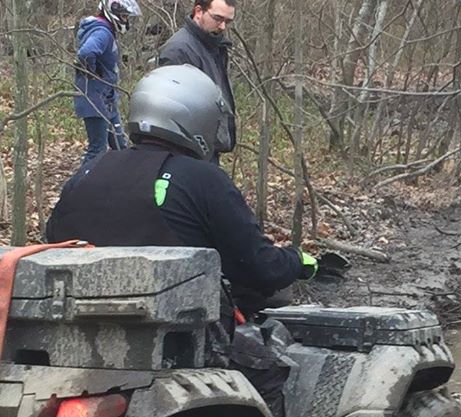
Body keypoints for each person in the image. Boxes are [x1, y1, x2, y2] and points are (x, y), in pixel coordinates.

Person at [47, 64, 317, 335]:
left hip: (71, 330)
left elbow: (54, 236)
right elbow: (258, 265)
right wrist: (296, 260)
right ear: (197, 118)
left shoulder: (92, 169)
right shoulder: (203, 178)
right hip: (178, 338)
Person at [157, 0, 237, 158]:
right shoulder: (178, 50)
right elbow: (170, 111)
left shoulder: (215, 46)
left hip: (207, 147)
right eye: (218, 18)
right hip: (186, 150)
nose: (222, 26)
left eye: (227, 21)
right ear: (199, 11)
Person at [74, 0, 142, 165]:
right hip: (94, 98)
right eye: (124, 16)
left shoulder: (106, 30)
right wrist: (92, 71)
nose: (126, 20)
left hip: (107, 98)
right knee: (97, 150)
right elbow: (86, 53)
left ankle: (123, 179)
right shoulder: (102, 32)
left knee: (120, 146)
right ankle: (84, 181)